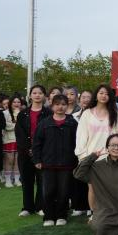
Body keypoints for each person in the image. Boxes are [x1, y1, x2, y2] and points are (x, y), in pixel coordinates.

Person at [32, 94, 79, 226]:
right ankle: (48, 216)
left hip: (67, 164)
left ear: (67, 106)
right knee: (48, 191)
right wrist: (37, 160)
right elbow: (37, 143)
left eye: (63, 104)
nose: (60, 107)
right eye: (57, 104)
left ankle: (61, 216)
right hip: (48, 164)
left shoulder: (72, 123)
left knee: (64, 191)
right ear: (52, 106)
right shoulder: (44, 123)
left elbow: (77, 142)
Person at [15, 85, 51, 216]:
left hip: (43, 153)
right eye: (34, 93)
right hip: (25, 153)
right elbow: (19, 134)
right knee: (26, 180)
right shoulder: (22, 114)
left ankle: (40, 206)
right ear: (30, 96)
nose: (37, 95)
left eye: (40, 93)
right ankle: (27, 207)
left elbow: (49, 134)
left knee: (42, 181)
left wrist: (38, 150)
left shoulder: (49, 113)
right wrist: (29, 149)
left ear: (44, 96)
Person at [2, 96, 22, 187]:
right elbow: (6, 126)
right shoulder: (5, 113)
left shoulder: (22, 113)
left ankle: (17, 180)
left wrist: (16, 124)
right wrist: (17, 125)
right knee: (9, 160)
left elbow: (24, 126)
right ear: (10, 103)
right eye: (14, 102)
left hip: (20, 139)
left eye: (18, 102)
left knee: (18, 160)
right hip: (8, 139)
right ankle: (8, 180)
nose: (16, 104)